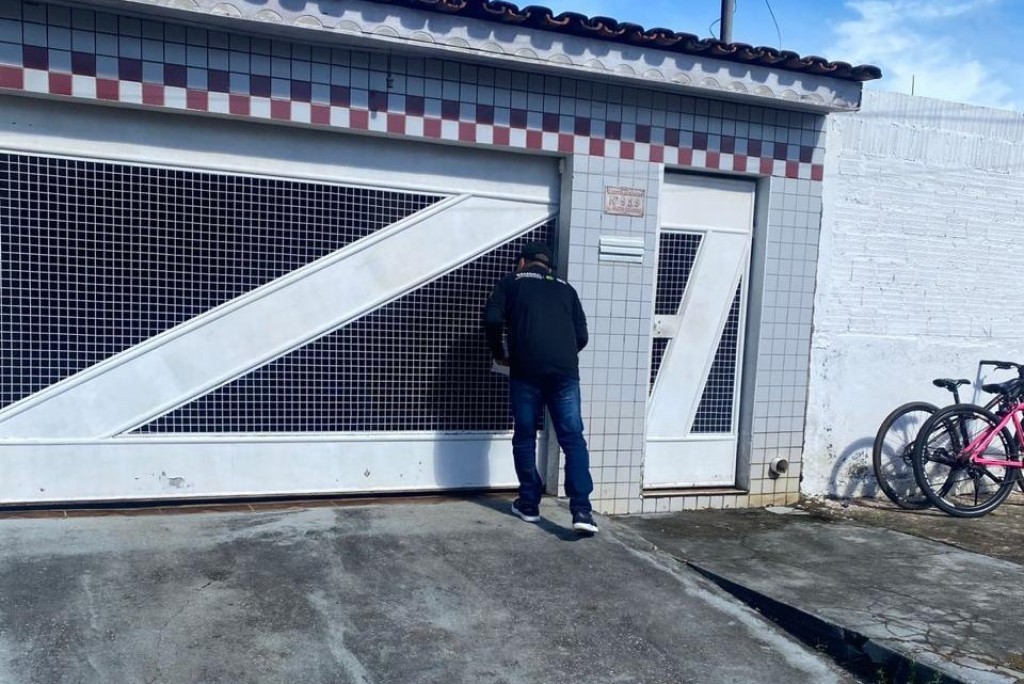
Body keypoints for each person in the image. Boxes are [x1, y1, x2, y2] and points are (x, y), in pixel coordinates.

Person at [482, 241, 598, 534]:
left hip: (526, 370)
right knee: (572, 438)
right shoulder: (567, 289)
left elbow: (492, 318)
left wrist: (499, 352)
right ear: (548, 266)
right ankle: (582, 511)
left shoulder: (511, 282)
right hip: (564, 372)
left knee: (525, 436)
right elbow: (582, 335)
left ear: (522, 262)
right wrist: (560, 354)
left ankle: (529, 504)